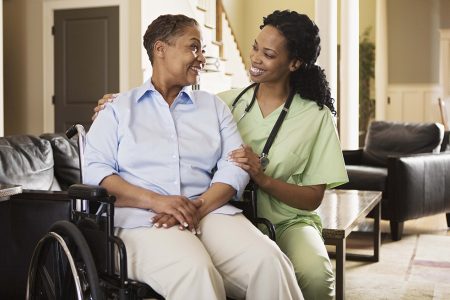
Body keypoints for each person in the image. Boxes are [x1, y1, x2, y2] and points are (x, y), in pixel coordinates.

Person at [94, 10, 348, 300]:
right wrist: (162, 202)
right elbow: (97, 173)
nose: (202, 57)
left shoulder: (215, 107)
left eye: (267, 53)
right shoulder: (121, 109)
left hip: (235, 214)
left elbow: (235, 165)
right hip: (148, 218)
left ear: (294, 63)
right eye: (194, 47)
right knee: (196, 270)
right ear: (160, 50)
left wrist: (197, 207)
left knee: (275, 264)